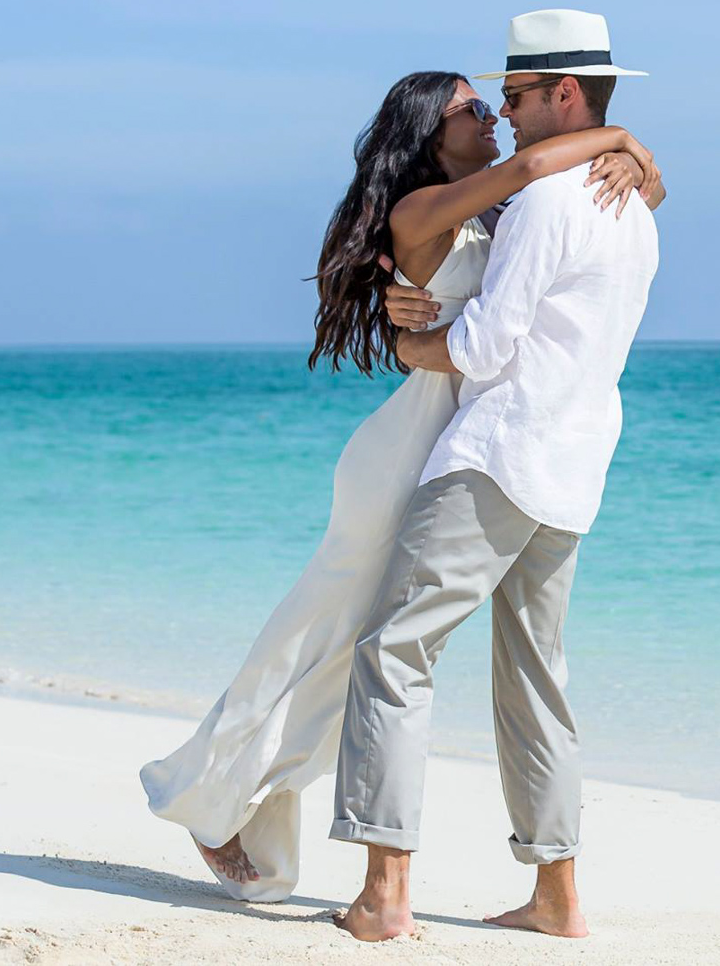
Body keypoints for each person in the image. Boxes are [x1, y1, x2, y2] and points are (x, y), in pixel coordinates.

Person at [139, 63, 663, 902]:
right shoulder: (420, 210)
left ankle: (237, 804)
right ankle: (205, 797)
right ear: (428, 132)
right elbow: (533, 167)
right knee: (318, 634)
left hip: (471, 444)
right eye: (469, 107)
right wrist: (622, 136)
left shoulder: (509, 210)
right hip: (412, 450)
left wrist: (635, 166)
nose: (490, 113)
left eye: (496, 101)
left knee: (358, 659)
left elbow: (600, 216)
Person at [330, 10, 660, 942]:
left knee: (394, 654)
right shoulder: (633, 208)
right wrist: (631, 148)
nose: (507, 115)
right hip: (576, 466)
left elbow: (483, 345)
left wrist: (407, 339)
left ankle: (384, 893)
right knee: (535, 678)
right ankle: (557, 899)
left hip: (499, 457)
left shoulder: (549, 203)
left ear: (564, 94)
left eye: (514, 96)